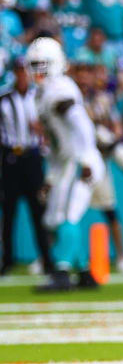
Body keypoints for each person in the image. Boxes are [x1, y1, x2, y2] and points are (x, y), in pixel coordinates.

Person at [26, 38, 104, 291]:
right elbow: (58, 145)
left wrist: (85, 159)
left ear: (56, 63)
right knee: (53, 218)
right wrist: (51, 179)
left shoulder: (60, 88)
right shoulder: (42, 94)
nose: (38, 70)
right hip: (66, 162)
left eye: (43, 64)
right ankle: (84, 274)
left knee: (69, 214)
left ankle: (61, 273)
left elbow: (81, 125)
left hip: (82, 161)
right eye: (34, 65)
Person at [73, 62, 123, 274]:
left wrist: (111, 139)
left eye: (87, 75)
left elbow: (117, 127)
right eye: (80, 75)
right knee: (64, 212)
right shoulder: (69, 98)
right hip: (74, 162)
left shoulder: (102, 100)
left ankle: (122, 256)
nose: (84, 80)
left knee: (110, 211)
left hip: (98, 160)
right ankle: (53, 256)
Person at [0, 57, 52, 275]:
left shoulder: (39, 97)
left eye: (25, 71)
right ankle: (8, 259)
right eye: (19, 71)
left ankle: (46, 259)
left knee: (39, 211)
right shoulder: (4, 98)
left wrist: (41, 129)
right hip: (11, 157)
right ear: (14, 73)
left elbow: (50, 127)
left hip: (32, 158)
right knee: (9, 214)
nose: (22, 75)